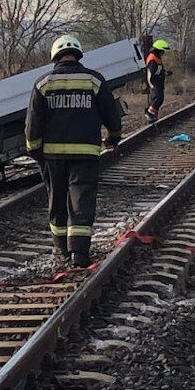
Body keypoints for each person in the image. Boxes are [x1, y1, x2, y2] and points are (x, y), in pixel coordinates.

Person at [25, 35, 124, 268]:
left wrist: (35, 151)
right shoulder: (94, 80)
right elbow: (112, 114)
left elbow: (32, 123)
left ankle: (61, 250)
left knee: (57, 200)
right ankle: (79, 254)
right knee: (81, 200)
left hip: (52, 156)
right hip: (86, 155)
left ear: (54, 57)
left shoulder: (43, 83)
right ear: (78, 54)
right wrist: (114, 137)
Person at [144, 39, 171, 125]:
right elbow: (152, 72)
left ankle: (153, 116)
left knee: (158, 98)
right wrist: (154, 81)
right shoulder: (152, 59)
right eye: (162, 51)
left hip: (158, 82)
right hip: (154, 82)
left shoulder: (157, 58)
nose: (163, 53)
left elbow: (159, 70)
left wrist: (165, 73)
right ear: (158, 50)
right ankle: (149, 112)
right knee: (158, 98)